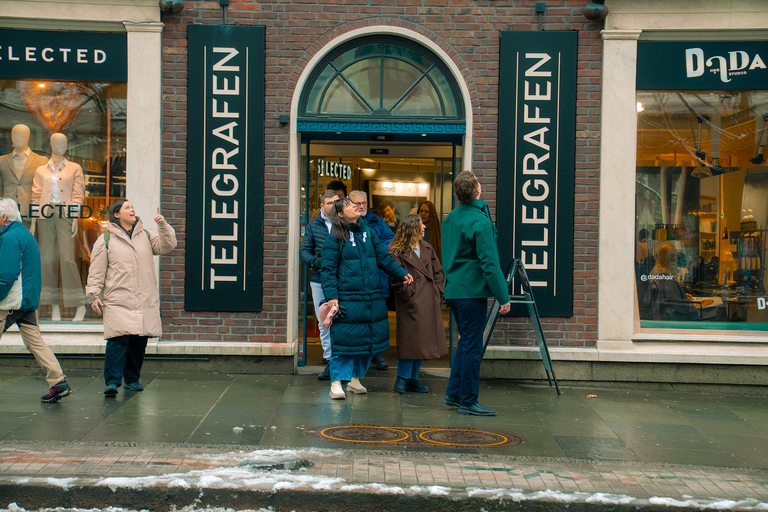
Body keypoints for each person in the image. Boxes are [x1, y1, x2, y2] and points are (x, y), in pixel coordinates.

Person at [321, 197, 412, 400]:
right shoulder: (334, 238)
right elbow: (327, 270)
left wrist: (400, 273)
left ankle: (355, 380)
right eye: (350, 205)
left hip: (371, 298)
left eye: (356, 203)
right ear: (341, 214)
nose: (356, 206)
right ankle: (336, 383)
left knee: (366, 342)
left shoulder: (369, 233)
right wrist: (332, 297)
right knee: (344, 342)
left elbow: (384, 259)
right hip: (347, 300)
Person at [85, 200, 177, 396]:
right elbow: (96, 270)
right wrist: (93, 294)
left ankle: (132, 380)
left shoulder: (146, 235)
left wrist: (163, 225)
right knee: (117, 340)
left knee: (138, 341)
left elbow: (167, 245)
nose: (132, 209)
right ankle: (112, 381)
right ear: (116, 214)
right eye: (127, 207)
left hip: (144, 298)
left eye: (133, 207)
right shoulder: (106, 239)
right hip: (118, 298)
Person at [441, 171, 511, 416]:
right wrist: (504, 296)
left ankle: (454, 393)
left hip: (454, 290)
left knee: (465, 343)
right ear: (478, 191)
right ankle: (468, 400)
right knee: (472, 346)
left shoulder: (450, 219)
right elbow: (489, 264)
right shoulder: (481, 222)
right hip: (471, 293)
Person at [0, 197, 71, 403]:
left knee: (36, 343)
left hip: (10, 302)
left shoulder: (9, 237)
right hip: (27, 300)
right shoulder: (25, 235)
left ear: (3, 217)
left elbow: (6, 274)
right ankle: (58, 382)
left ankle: (58, 383)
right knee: (36, 343)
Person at [31, 133, 87, 322]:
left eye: (63, 142)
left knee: (67, 259)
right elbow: (36, 195)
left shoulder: (74, 168)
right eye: (56, 142)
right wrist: (33, 221)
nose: (59, 145)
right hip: (45, 215)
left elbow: (78, 194)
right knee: (46, 260)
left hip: (65, 215)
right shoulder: (41, 170)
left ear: (67, 145)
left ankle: (79, 304)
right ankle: (53, 304)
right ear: (51, 145)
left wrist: (74, 217)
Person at [389, 214, 447, 394]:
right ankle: (402, 378)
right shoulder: (397, 251)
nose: (424, 227)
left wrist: (437, 291)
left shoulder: (427, 247)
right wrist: (409, 294)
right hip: (411, 302)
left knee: (423, 342)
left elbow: (438, 272)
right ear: (412, 228)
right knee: (410, 341)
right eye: (421, 225)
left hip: (429, 300)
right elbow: (394, 276)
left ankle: (412, 379)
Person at [349, 189, 394, 370]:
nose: (361, 207)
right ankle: (357, 356)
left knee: (377, 319)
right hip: (355, 281)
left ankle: (378, 354)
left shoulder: (377, 221)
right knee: (357, 319)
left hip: (376, 279)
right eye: (357, 203)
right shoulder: (344, 223)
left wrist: (371, 251)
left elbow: (390, 240)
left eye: (363, 203)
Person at [299, 190, 338, 380]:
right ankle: (330, 361)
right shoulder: (314, 225)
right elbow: (304, 251)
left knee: (342, 320)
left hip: (341, 279)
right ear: (322, 206)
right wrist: (316, 262)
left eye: (336, 202)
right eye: (329, 202)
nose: (334, 205)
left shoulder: (344, 223)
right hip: (319, 279)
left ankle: (342, 362)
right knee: (324, 322)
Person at [0, 124, 48, 230]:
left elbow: (44, 191)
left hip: (30, 213)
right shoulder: (2, 161)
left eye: (21, 134)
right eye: (15, 134)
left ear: (28, 136)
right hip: (6, 215)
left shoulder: (41, 161)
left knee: (27, 244)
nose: (17, 137)